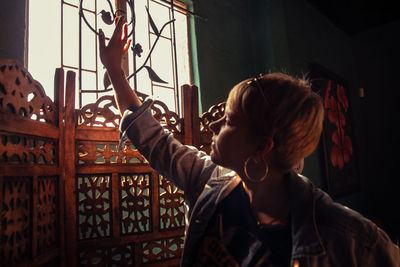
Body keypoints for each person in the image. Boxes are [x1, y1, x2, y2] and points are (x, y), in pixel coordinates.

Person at [99, 16, 400, 267]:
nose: (214, 124)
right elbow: (152, 138)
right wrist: (114, 69)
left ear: (262, 147)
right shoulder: (209, 181)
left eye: (229, 120)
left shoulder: (349, 238)